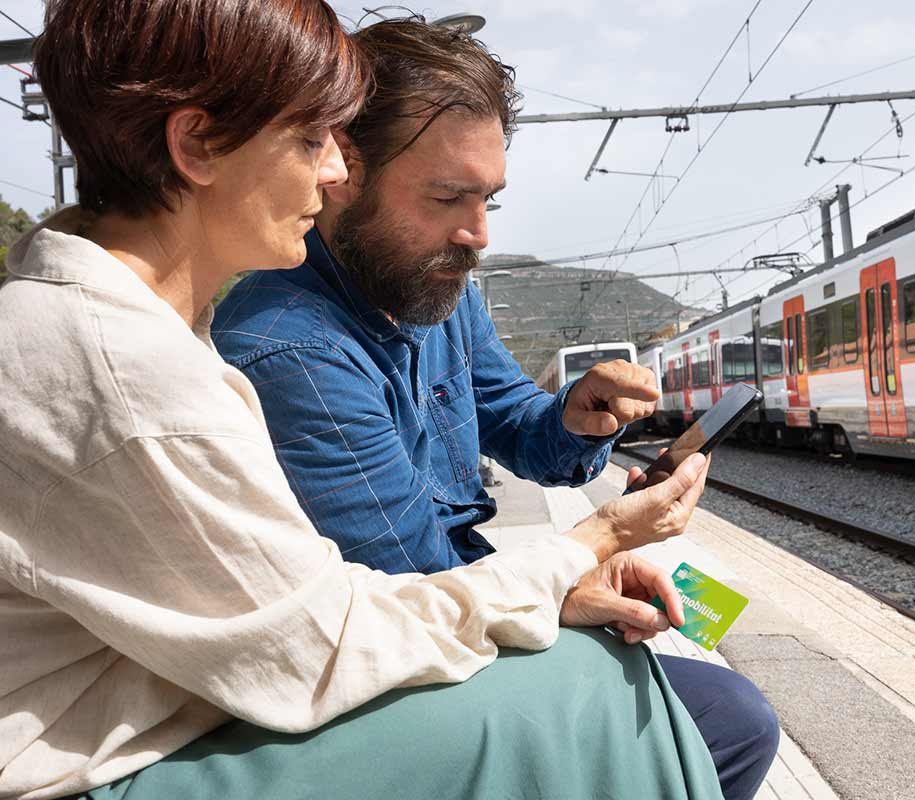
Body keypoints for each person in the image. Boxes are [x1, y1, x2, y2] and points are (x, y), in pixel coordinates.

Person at [0, 2, 724, 799]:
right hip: (113, 759)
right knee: (616, 705)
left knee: (632, 696)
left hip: (179, 704)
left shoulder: (151, 325)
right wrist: (583, 548)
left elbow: (313, 617)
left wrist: (568, 438)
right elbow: (325, 645)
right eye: (312, 139)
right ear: (197, 143)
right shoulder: (158, 366)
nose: (333, 172)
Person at [213, 16, 779, 800]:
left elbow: (512, 417)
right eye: (448, 197)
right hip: (376, 657)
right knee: (726, 718)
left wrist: (575, 418)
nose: (476, 235)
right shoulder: (294, 350)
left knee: (672, 688)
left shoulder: (436, 286)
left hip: (445, 599)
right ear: (339, 170)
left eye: (489, 201)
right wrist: (582, 559)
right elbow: (412, 577)